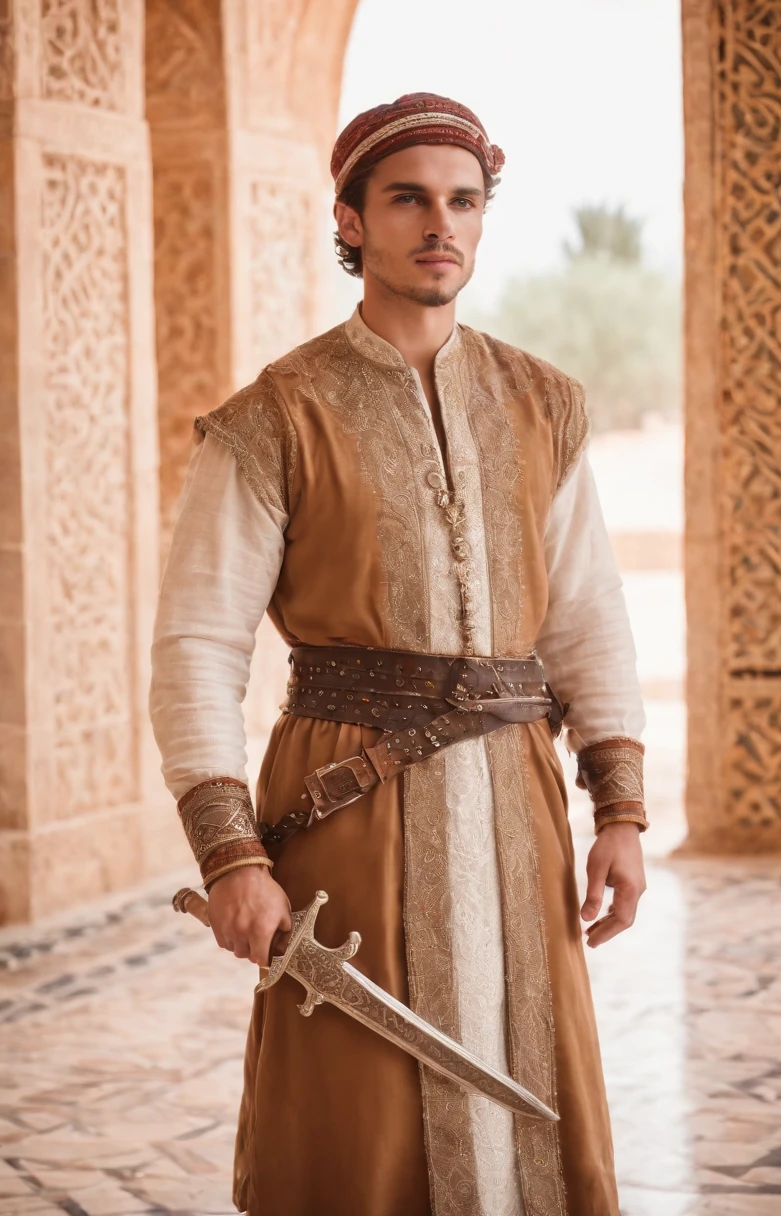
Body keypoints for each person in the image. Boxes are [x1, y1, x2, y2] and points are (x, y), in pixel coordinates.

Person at [150, 92, 648, 1216]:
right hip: (346, 811)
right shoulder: (276, 415)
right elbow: (195, 645)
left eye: (464, 200)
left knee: (531, 1102)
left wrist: (617, 807)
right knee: (354, 1117)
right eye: (409, 199)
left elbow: (587, 618)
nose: (442, 224)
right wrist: (231, 854)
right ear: (351, 218)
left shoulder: (542, 403)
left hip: (516, 806)